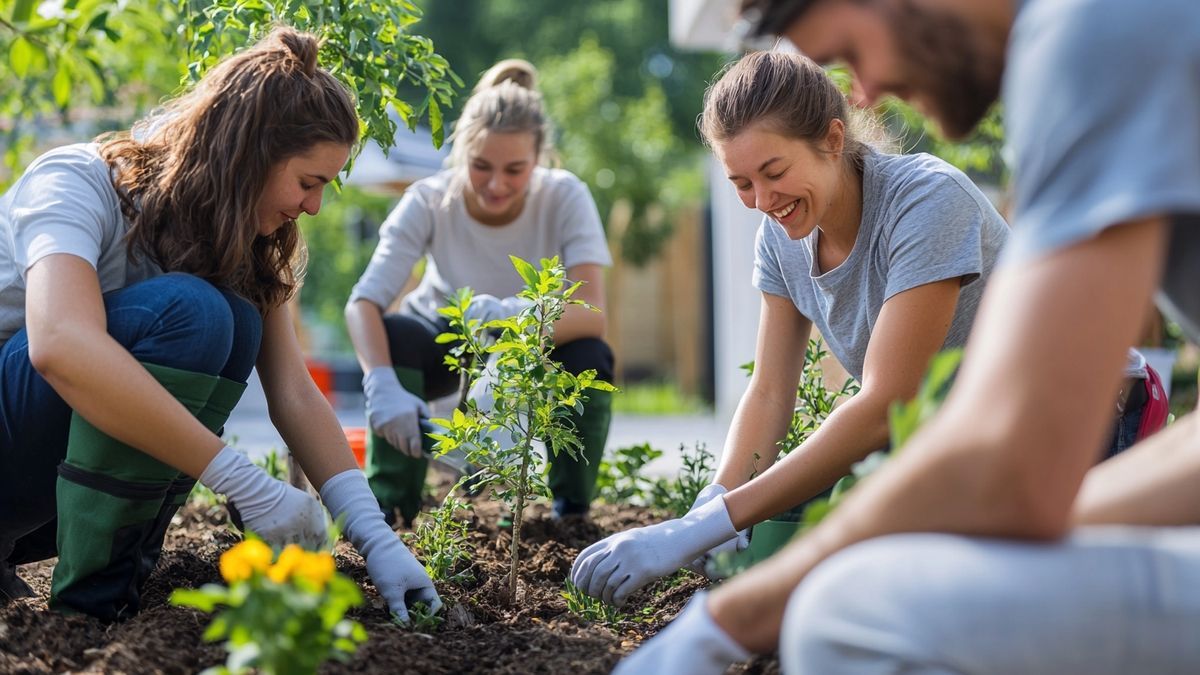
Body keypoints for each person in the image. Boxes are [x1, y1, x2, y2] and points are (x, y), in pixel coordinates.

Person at [614, 0, 1200, 673]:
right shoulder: (1112, 32)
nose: (865, 94)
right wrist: (712, 506)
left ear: (832, 141)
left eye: (850, 53)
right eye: (742, 182)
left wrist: (726, 618)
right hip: (1020, 451)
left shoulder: (1089, 37)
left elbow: (990, 444)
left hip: (1092, 432)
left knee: (848, 612)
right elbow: (772, 386)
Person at [0, 27, 440, 625]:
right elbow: (59, 344)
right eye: (307, 182)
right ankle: (83, 616)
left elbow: (291, 392)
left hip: (33, 495)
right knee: (195, 312)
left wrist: (373, 534)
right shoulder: (75, 183)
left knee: (234, 318)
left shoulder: (246, 241)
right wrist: (242, 482)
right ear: (248, 157)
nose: (313, 206)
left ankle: (109, 596)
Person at [345, 59, 613, 525]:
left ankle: (571, 511)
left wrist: (514, 318)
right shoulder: (429, 199)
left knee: (590, 354)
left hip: (532, 343)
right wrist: (381, 382)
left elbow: (592, 313)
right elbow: (363, 303)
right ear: (461, 152)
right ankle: (389, 508)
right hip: (448, 343)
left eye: (515, 170)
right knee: (396, 334)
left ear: (539, 159)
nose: (496, 184)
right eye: (481, 166)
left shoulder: (565, 196)